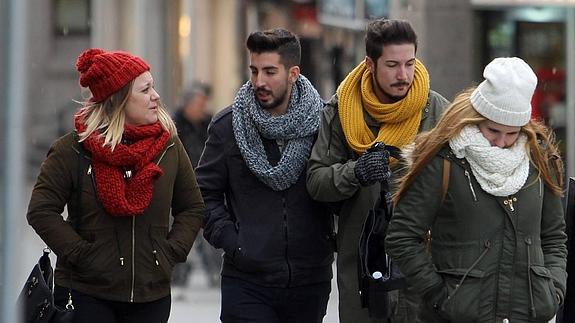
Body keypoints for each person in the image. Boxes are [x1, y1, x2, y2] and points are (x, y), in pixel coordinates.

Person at [26, 48, 205, 323]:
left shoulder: (169, 146)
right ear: (119, 100)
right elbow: (41, 210)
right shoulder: (72, 150)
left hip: (150, 295)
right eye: (145, 90)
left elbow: (192, 207)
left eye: (153, 87)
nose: (156, 96)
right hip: (86, 293)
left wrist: (169, 253)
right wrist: (83, 255)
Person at [385, 57, 567, 322]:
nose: (501, 143)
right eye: (493, 130)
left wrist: (553, 292)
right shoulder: (444, 161)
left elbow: (553, 237)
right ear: (478, 117)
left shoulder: (539, 161)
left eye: (512, 133)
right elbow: (401, 237)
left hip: (525, 314)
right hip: (456, 316)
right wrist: (440, 295)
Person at [306, 18, 450, 322]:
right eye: (393, 65)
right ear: (370, 65)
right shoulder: (341, 111)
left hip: (424, 269)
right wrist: (356, 172)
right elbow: (316, 181)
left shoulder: (435, 111)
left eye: (410, 63)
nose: (404, 75)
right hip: (362, 267)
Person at [195, 28, 334, 323]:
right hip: (247, 282)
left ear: (293, 73)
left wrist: (324, 240)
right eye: (254, 71)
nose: (259, 81)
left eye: (270, 71)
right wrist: (234, 241)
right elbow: (202, 195)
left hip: (309, 279)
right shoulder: (227, 126)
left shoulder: (324, 123)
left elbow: (335, 186)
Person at [172, 82, 222, 290]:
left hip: (206, 184)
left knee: (210, 229)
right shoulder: (175, 126)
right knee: (179, 231)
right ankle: (177, 274)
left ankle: (216, 272)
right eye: (198, 104)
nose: (202, 108)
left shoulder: (210, 124)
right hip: (179, 186)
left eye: (203, 104)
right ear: (188, 105)